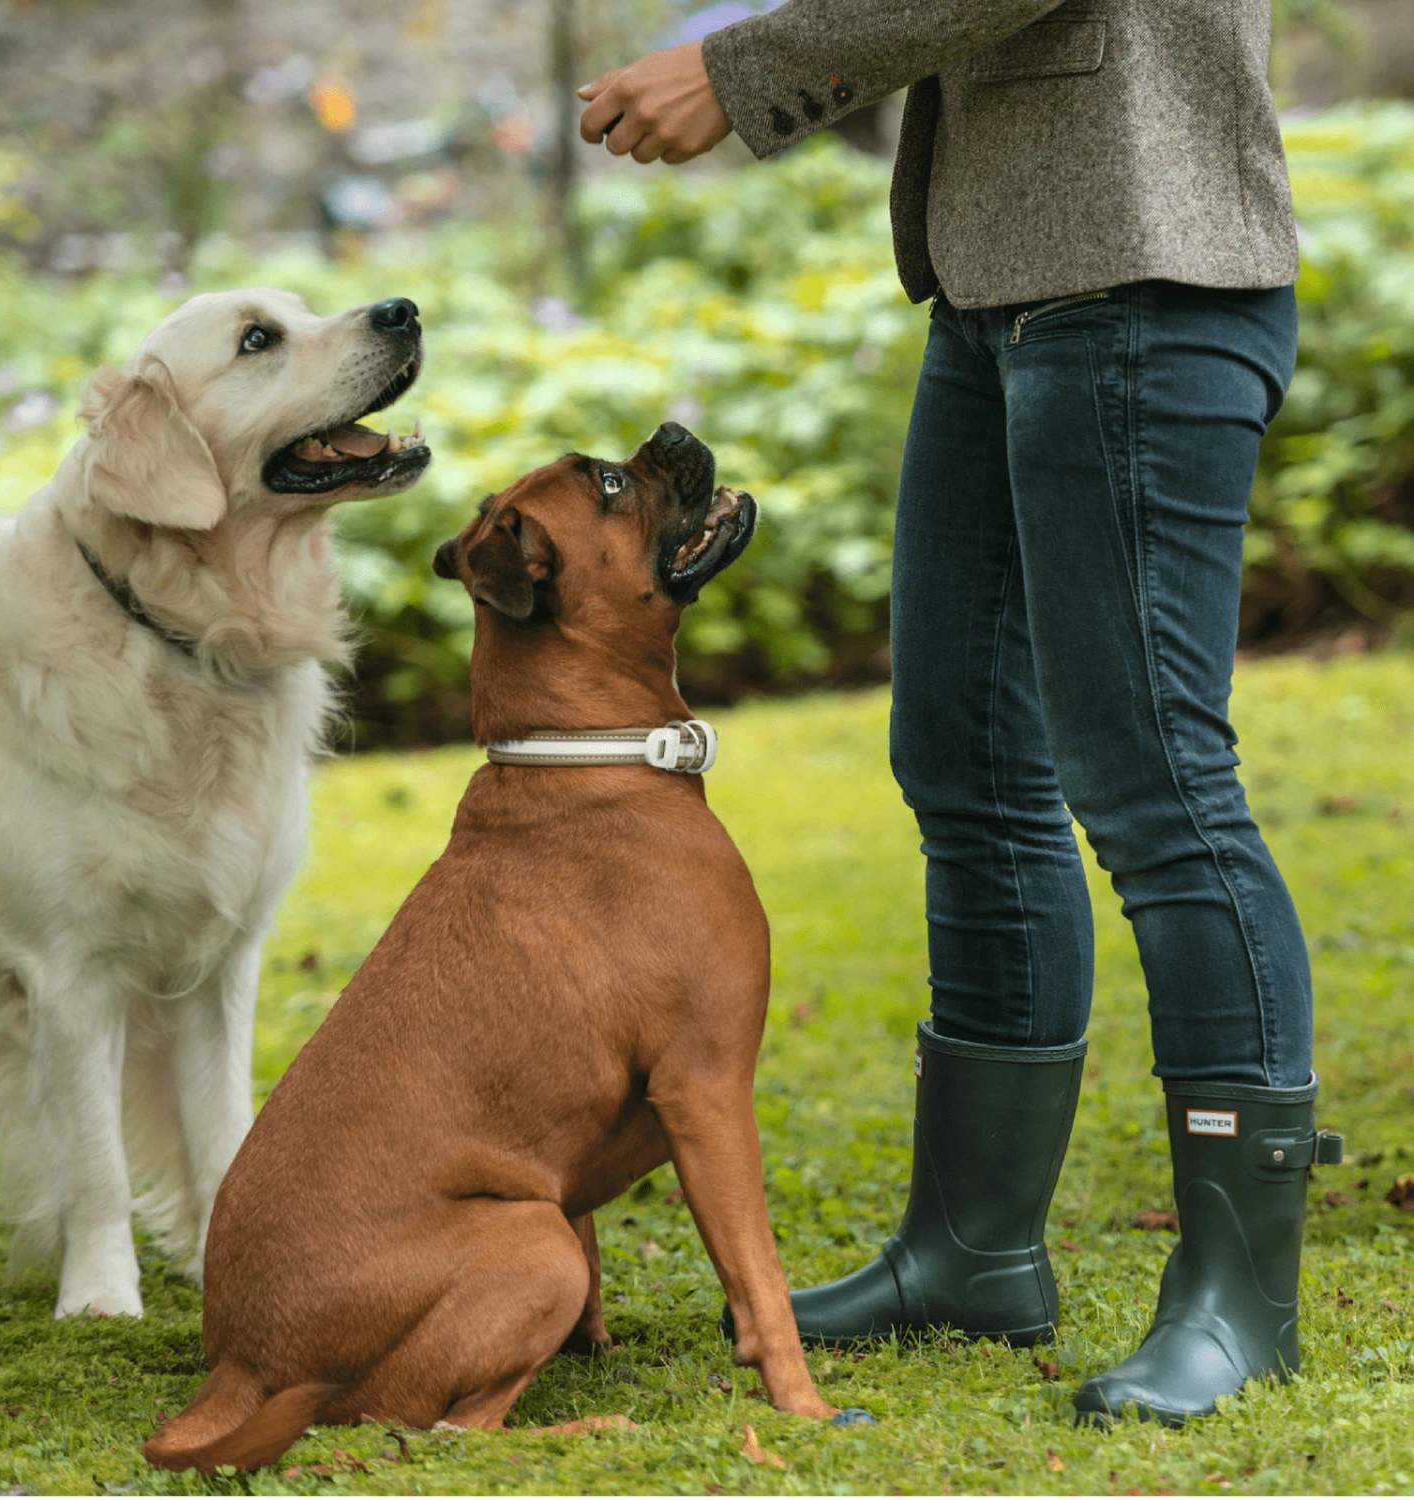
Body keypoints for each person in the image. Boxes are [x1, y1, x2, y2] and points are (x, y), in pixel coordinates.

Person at [576, 0, 1345, 1428]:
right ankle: (972, 1254)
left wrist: (739, 71)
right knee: (970, 763)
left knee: (1159, 785)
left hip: (1140, 277)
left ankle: (1242, 1302)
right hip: (1006, 292)